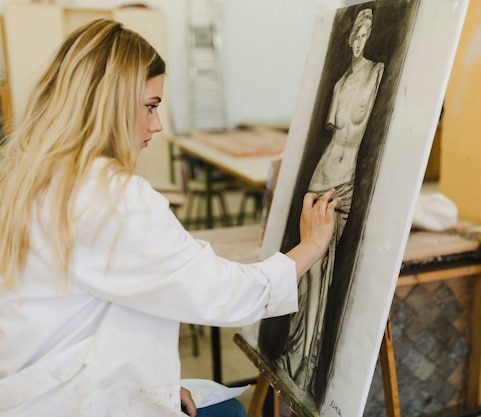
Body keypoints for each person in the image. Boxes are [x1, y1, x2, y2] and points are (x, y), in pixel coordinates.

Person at [0, 19, 339, 417]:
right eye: (151, 106)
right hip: (72, 402)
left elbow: (91, 306)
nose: (157, 125)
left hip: (34, 392)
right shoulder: (110, 196)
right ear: (110, 102)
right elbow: (223, 292)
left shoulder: (28, 174)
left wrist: (150, 382)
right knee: (230, 413)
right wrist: (311, 246)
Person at [278, 7, 384, 399]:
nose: (361, 36)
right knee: (307, 271)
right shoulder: (340, 83)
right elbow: (331, 135)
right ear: (350, 35)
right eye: (357, 29)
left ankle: (309, 358)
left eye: (368, 31)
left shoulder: (377, 73)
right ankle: (297, 348)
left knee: (325, 268)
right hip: (321, 176)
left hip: (345, 180)